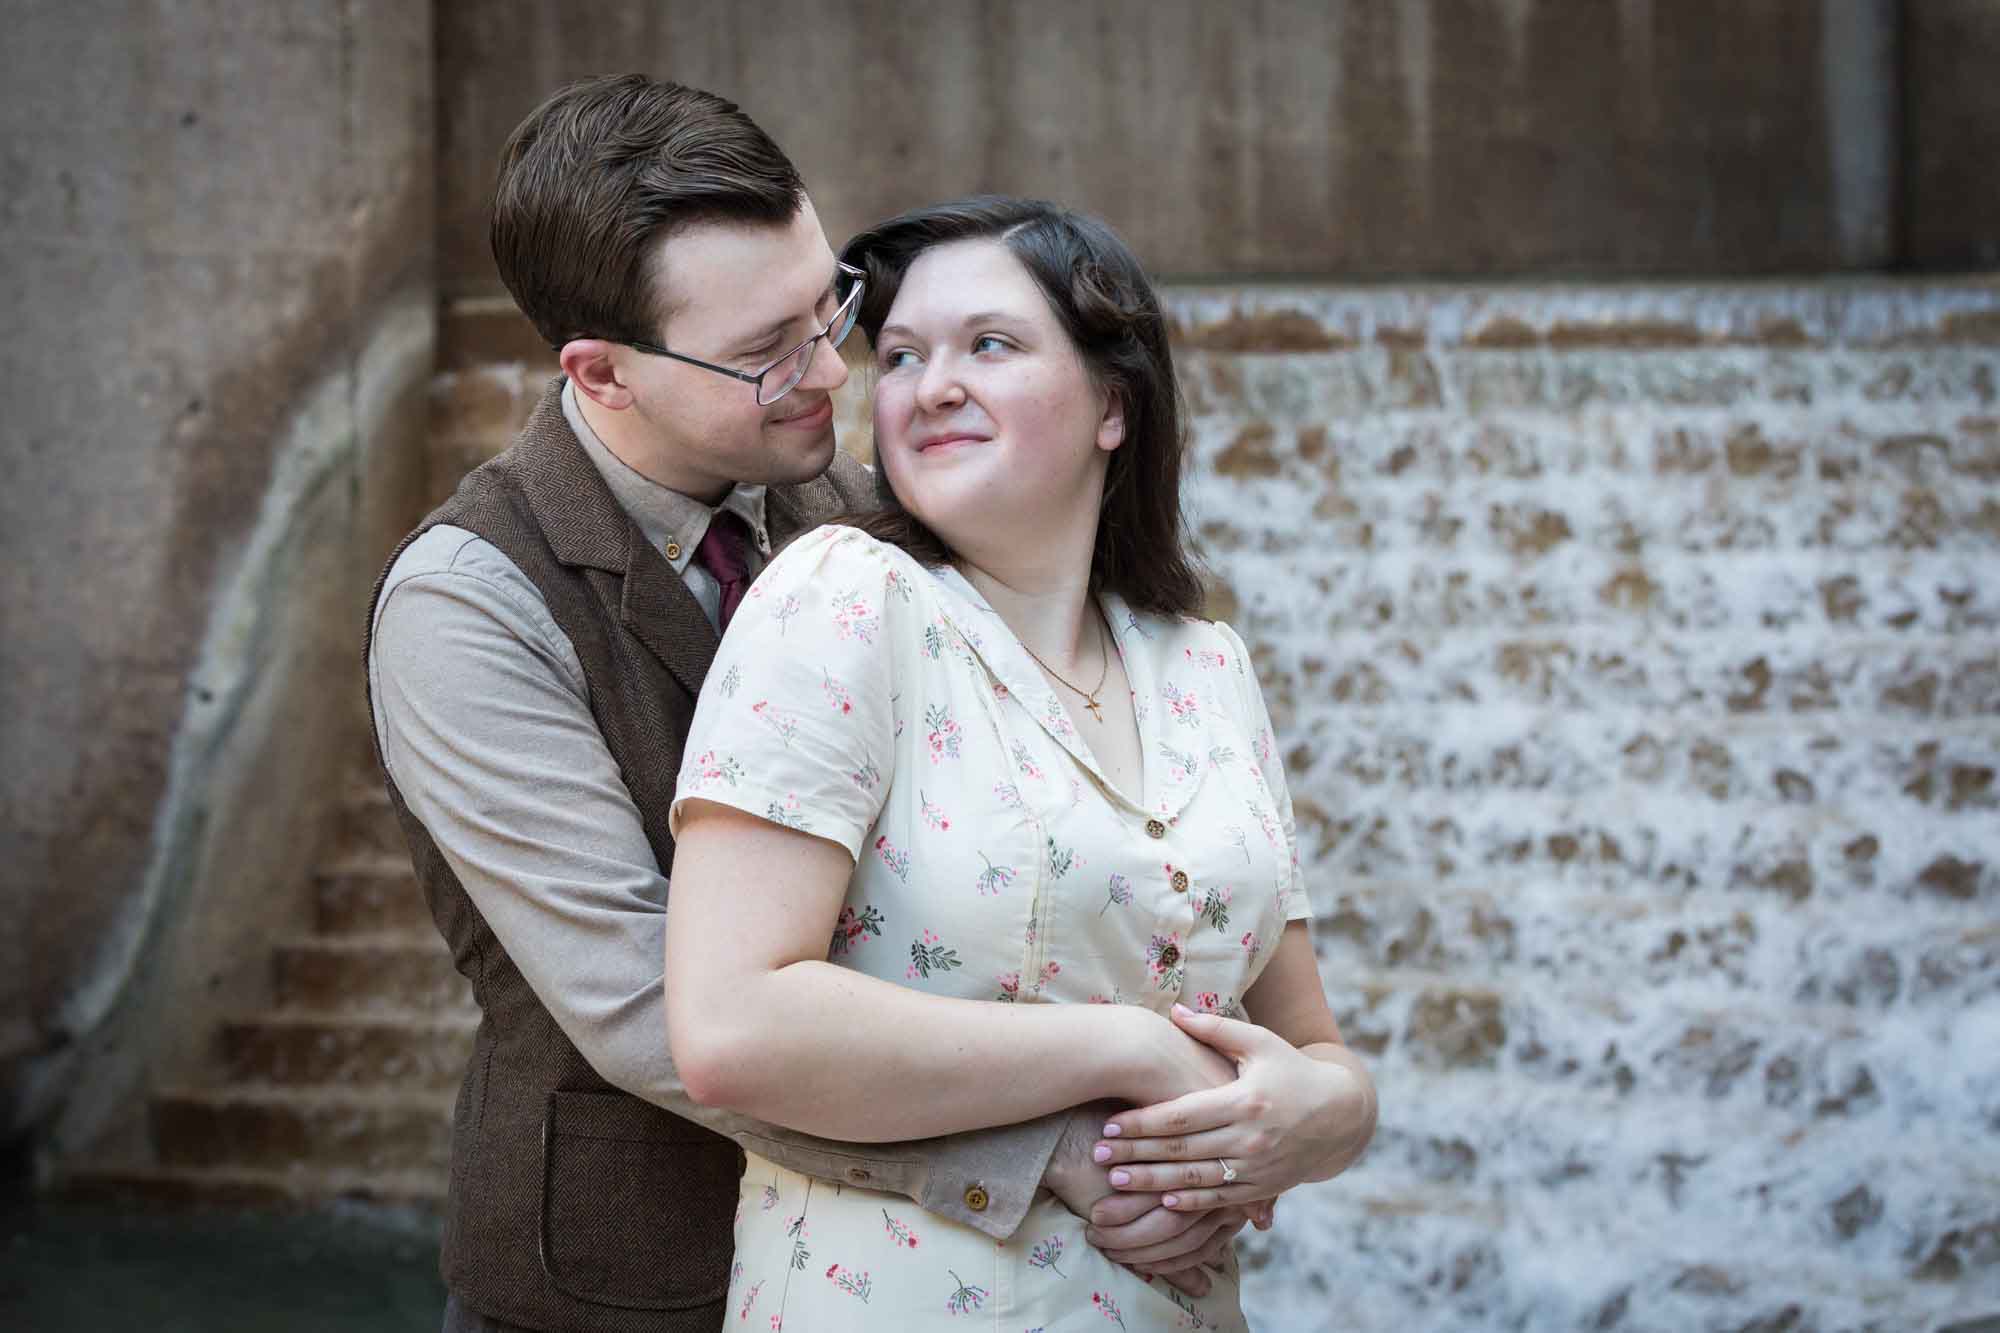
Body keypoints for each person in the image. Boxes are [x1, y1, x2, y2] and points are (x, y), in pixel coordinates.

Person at [366, 78, 1264, 1333]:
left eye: (825, 307)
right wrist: (1045, 1149)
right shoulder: (466, 603)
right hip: (622, 1283)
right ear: (601, 371)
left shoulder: (857, 508)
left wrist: (1283, 1108)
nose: (828, 369)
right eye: (761, 354)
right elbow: (648, 1011)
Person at [663, 197, 1378, 1331]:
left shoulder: (1204, 665)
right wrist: (1129, 1047)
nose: (928, 384)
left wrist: (1325, 1117)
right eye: (898, 356)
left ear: (1112, 401)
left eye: (988, 345)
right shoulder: (842, 597)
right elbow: (729, 1028)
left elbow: (1312, 1048)